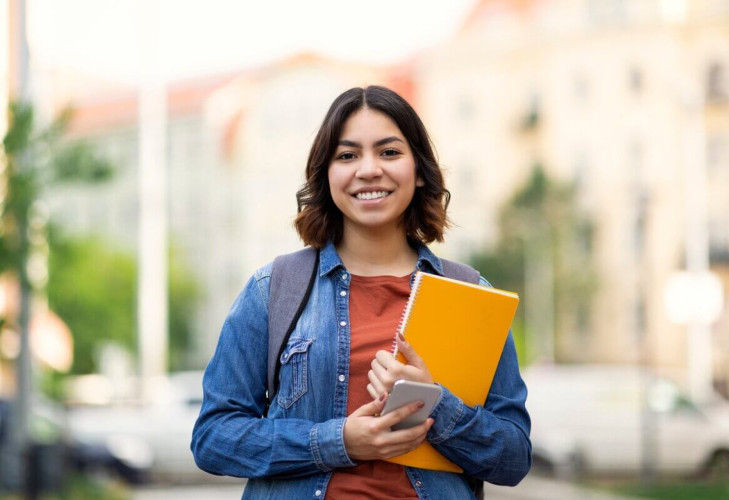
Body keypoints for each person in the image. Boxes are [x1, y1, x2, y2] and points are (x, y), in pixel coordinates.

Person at [191, 85, 531, 499]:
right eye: (347, 155)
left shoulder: (471, 295)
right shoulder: (273, 290)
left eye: (389, 152)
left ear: (419, 170)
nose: (368, 169)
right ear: (326, 174)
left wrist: (436, 404)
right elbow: (213, 438)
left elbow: (513, 458)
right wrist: (339, 442)